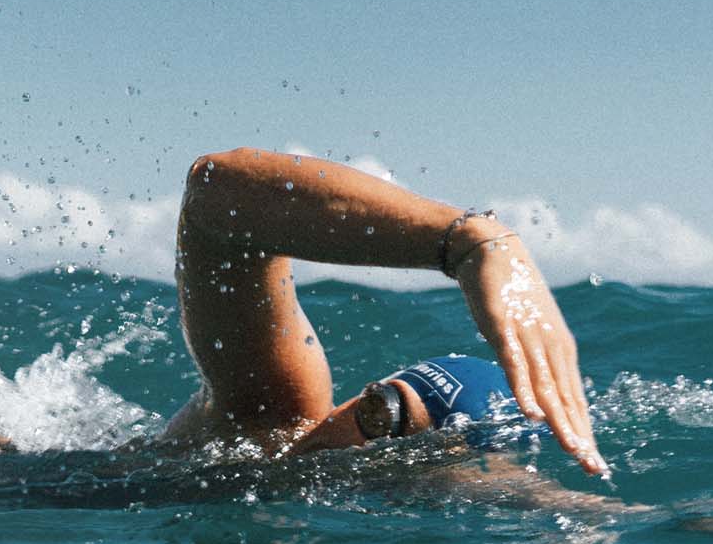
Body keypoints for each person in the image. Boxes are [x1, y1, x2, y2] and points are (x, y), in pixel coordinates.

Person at [151, 147, 606, 477]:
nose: (347, 432)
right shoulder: (268, 418)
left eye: (384, 429)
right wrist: (473, 242)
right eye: (375, 407)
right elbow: (217, 193)